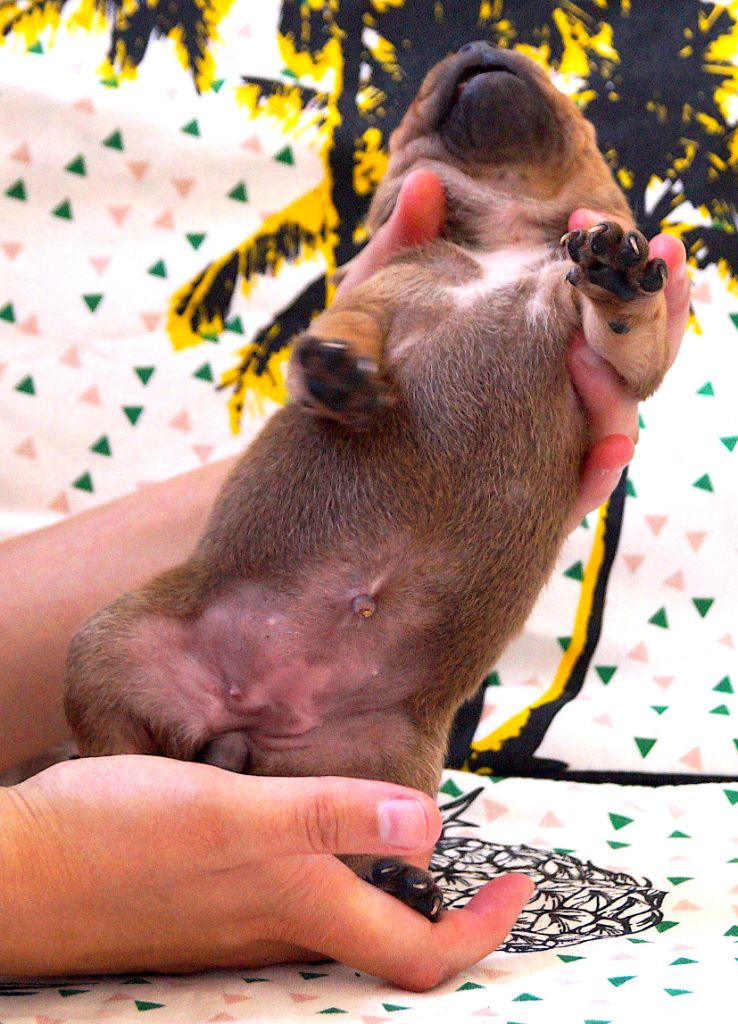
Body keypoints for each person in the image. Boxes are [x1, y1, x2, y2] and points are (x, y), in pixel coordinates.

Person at [0, 169, 689, 989]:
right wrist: (42, 864)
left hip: (369, 705)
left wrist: (623, 296)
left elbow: (635, 359)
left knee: (383, 792)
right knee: (114, 656)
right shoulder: (417, 271)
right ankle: (129, 780)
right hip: (244, 659)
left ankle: (352, 867)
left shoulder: (570, 276)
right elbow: (347, 334)